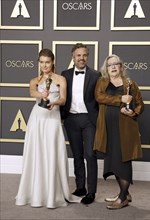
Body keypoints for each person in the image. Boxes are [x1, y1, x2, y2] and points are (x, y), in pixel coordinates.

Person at [15, 49, 81, 209]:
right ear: (39, 63)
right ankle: (34, 192)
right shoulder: (34, 81)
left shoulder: (60, 79)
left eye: (48, 62)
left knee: (52, 152)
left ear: (53, 62)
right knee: (36, 153)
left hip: (52, 118)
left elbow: (64, 99)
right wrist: (40, 93)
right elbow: (32, 92)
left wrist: (54, 102)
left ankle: (53, 194)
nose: (44, 65)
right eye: (42, 62)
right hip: (37, 119)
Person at [94, 54, 144, 209]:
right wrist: (120, 99)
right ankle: (125, 192)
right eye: (110, 65)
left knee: (124, 160)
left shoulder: (130, 84)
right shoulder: (102, 82)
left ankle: (122, 197)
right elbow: (99, 97)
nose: (113, 67)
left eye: (116, 64)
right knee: (113, 160)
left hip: (125, 129)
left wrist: (134, 112)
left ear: (121, 67)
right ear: (106, 68)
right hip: (108, 129)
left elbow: (140, 104)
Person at [60, 43, 100, 204]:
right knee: (77, 155)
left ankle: (91, 192)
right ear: (73, 57)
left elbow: (100, 98)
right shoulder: (65, 74)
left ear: (87, 57)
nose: (81, 58)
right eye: (78, 55)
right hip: (71, 119)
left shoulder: (96, 75)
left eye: (84, 55)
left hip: (89, 120)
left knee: (90, 155)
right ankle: (80, 187)